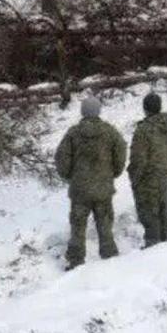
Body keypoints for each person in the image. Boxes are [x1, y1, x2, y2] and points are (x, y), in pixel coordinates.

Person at [54, 96, 127, 270]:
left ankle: (76, 260)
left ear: (82, 111)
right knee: (105, 224)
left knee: (78, 226)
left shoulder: (73, 133)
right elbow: (121, 152)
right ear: (98, 111)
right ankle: (109, 257)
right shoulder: (110, 132)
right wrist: (113, 172)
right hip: (103, 188)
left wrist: (69, 176)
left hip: (80, 190)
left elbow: (61, 158)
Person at [128, 92, 167, 248]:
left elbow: (138, 159)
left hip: (148, 176)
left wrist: (134, 178)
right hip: (165, 172)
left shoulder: (143, 130)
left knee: (149, 212)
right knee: (162, 208)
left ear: (145, 109)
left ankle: (153, 247)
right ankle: (165, 244)